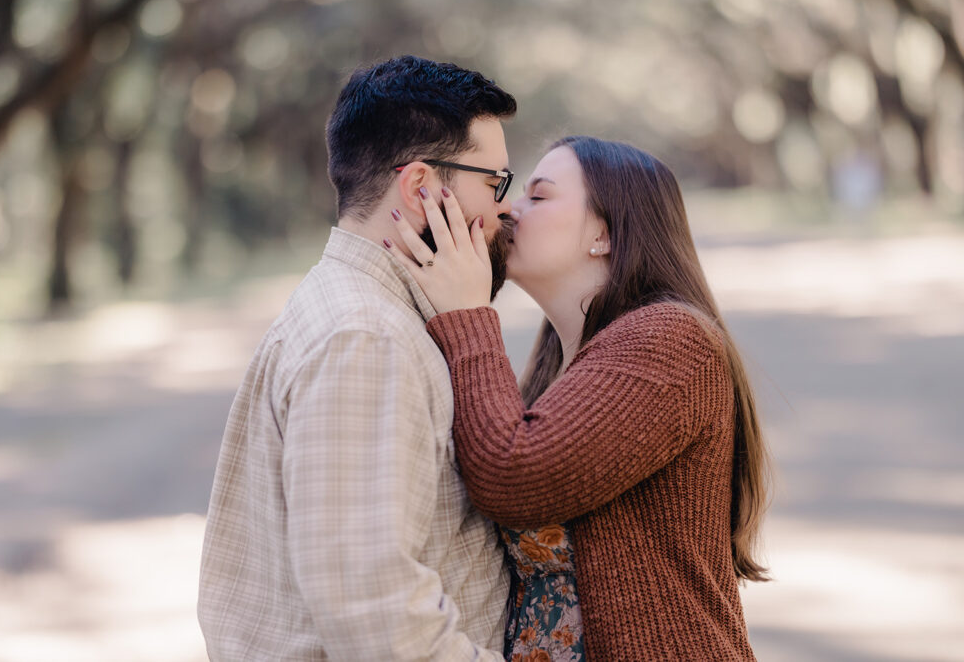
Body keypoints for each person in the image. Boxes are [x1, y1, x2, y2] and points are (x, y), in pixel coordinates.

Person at [388, 136, 771, 661]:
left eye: (538, 197)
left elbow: (513, 475)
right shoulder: (556, 363)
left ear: (604, 234)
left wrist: (466, 316)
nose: (506, 209)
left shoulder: (672, 339)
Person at [197, 55, 519, 660]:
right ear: (422, 188)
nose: (506, 208)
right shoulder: (367, 339)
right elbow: (375, 617)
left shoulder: (361, 314)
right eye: (494, 183)